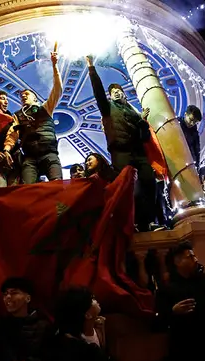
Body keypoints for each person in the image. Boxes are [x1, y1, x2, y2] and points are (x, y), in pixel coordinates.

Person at [86, 55, 156, 230]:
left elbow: (145, 136)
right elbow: (98, 92)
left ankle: (146, 222)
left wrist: (142, 122)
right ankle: (131, 222)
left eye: (119, 90)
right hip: (121, 152)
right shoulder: (108, 108)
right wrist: (91, 67)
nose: (116, 92)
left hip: (139, 152)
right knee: (129, 188)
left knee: (150, 183)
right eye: (113, 92)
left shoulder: (134, 113)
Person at [4, 51, 63, 184]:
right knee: (28, 188)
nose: (23, 96)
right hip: (29, 157)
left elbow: (58, 89)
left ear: (35, 98)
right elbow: (12, 134)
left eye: (26, 94)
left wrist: (54, 65)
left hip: (49, 153)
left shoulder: (46, 108)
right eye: (21, 96)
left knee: (57, 184)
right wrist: (6, 149)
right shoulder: (18, 115)